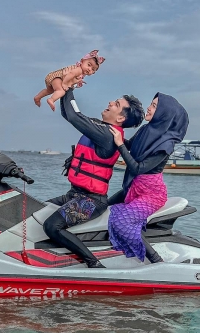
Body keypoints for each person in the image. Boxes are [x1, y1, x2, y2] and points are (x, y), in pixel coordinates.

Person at [43, 88, 144, 268]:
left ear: (121, 118)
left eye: (116, 104)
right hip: (74, 195)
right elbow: (69, 114)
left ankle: (93, 263)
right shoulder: (103, 128)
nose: (110, 103)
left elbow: (75, 116)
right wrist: (66, 89)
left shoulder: (106, 135)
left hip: (91, 201)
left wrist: (68, 86)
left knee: (51, 226)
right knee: (36, 209)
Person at [107, 93, 189, 263]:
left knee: (123, 222)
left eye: (154, 106)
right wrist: (113, 132)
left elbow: (137, 168)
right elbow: (131, 146)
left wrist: (119, 144)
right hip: (133, 188)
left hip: (151, 195)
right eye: (151, 104)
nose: (149, 108)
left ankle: (156, 260)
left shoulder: (166, 145)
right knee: (103, 206)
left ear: (163, 113)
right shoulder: (146, 130)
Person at [34, 50, 105, 111]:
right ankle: (51, 99)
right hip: (57, 77)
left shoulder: (81, 73)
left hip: (52, 77)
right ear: (82, 61)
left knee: (49, 90)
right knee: (61, 91)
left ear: (93, 73)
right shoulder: (79, 70)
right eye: (89, 65)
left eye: (93, 69)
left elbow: (72, 79)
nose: (89, 69)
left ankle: (38, 97)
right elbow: (70, 74)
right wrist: (64, 83)